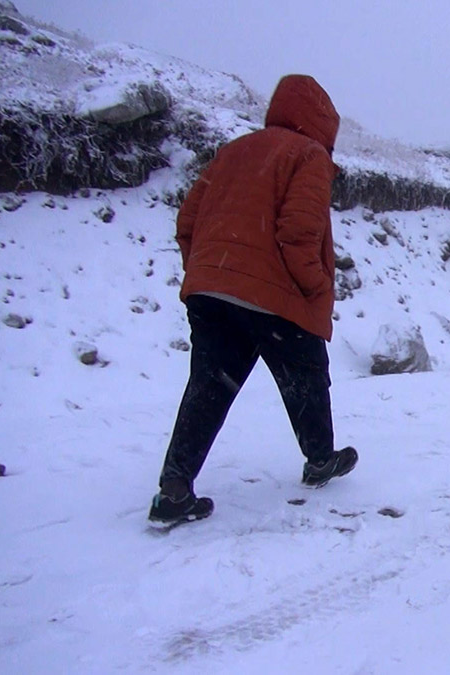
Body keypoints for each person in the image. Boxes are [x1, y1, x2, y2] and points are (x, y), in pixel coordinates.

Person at [149, 74, 358, 525]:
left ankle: (174, 488)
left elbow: (187, 220)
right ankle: (320, 458)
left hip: (212, 287)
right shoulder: (309, 155)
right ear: (322, 122)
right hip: (273, 295)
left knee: (209, 386)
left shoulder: (235, 150)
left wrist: (209, 269)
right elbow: (299, 231)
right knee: (305, 371)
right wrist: (315, 285)